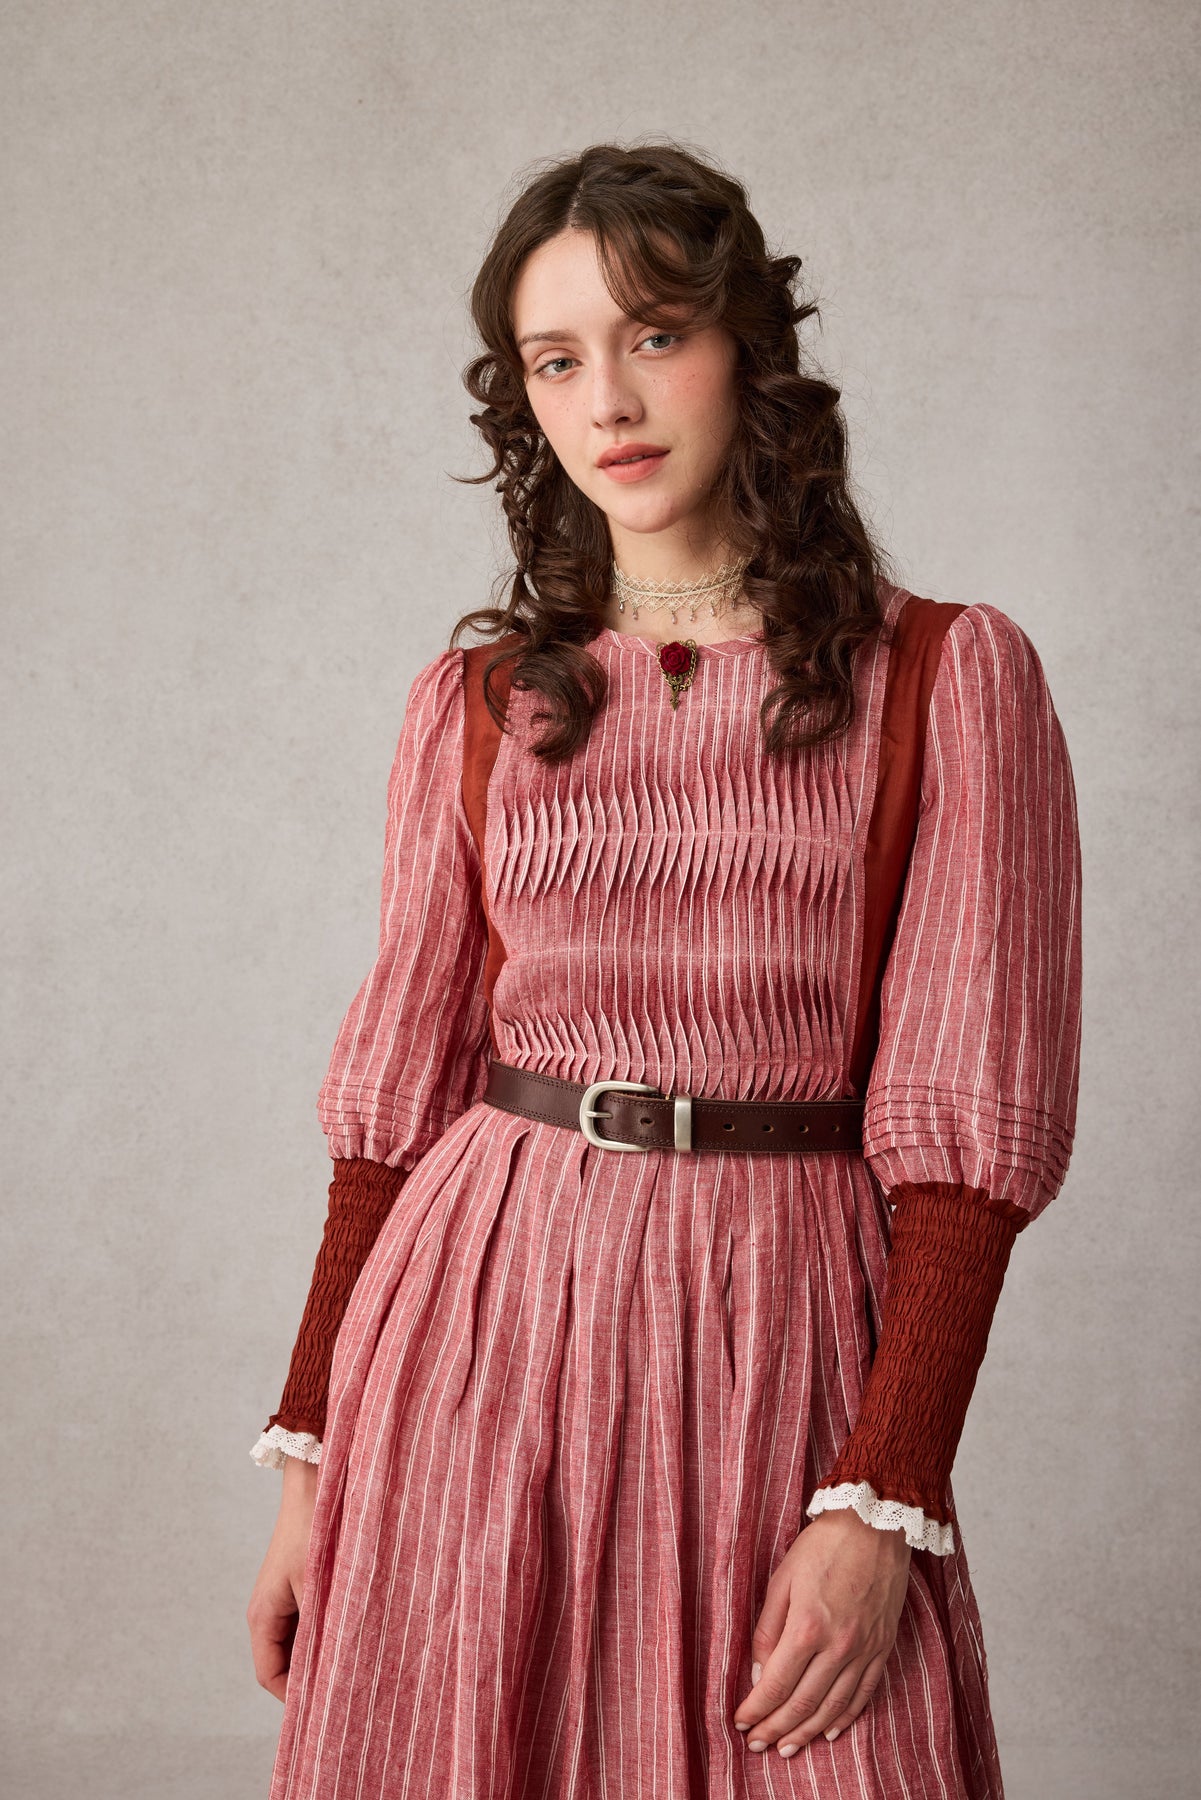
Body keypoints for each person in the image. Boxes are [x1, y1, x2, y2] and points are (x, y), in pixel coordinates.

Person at [245, 140, 1082, 1799]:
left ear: (746, 350)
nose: (609, 401)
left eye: (652, 335)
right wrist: (310, 1459)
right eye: (556, 360)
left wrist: (882, 1499)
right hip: (475, 1328)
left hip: (781, 1332)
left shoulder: (945, 678)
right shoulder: (477, 706)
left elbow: (965, 1151)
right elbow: (393, 1117)